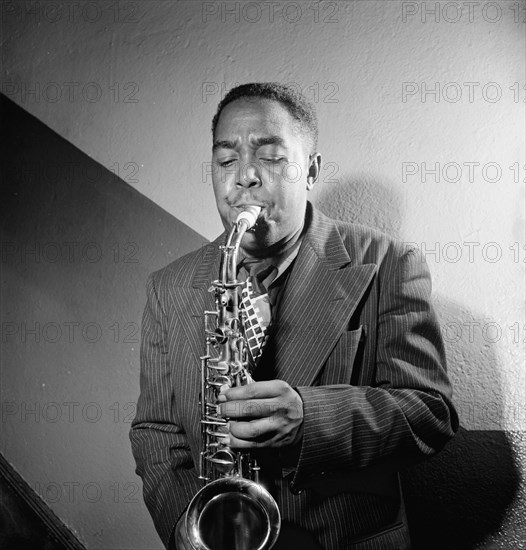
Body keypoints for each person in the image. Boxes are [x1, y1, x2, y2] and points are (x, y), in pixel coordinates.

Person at [130, 82, 458, 550]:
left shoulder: (390, 263)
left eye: (269, 156)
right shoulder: (168, 286)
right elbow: (155, 430)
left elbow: (430, 414)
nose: (243, 177)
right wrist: (189, 525)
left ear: (311, 170)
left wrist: (308, 419)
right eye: (225, 161)